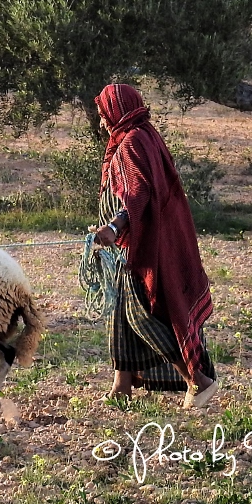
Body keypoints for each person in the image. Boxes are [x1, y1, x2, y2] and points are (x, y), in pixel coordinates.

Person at [91, 83, 218, 409]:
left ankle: (197, 381)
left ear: (118, 111)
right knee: (120, 313)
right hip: (136, 243)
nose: (103, 121)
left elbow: (139, 195)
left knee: (141, 314)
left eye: (105, 114)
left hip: (143, 246)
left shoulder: (133, 141)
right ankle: (122, 385)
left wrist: (114, 227)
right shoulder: (143, 135)